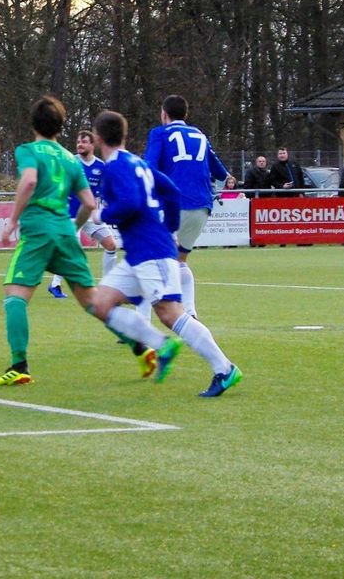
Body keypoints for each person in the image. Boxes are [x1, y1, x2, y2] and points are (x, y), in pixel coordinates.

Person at [89, 109, 242, 398]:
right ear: (123, 135)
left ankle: (224, 368)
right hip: (139, 254)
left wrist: (101, 214)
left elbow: (132, 203)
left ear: (98, 138)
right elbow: (170, 190)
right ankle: (160, 346)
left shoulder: (115, 167)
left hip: (152, 251)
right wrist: (172, 227)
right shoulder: (135, 163)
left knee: (171, 314)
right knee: (100, 303)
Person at [0, 96, 104, 386]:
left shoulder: (28, 150)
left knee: (14, 296)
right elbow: (89, 204)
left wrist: (13, 219)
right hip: (64, 232)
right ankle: (142, 345)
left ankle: (19, 364)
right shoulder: (70, 158)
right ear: (60, 126)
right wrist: (71, 227)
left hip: (38, 230)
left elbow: (28, 181)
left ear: (33, 124)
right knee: (91, 302)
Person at [143, 94, 228, 320]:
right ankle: (190, 311)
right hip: (201, 206)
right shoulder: (199, 134)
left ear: (164, 114)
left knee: (145, 261)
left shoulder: (159, 133)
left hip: (173, 205)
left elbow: (149, 168)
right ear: (186, 114)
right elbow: (219, 170)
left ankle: (142, 325)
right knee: (180, 260)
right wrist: (228, 178)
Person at [49, 129, 120, 298]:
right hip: (71, 214)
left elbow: (104, 191)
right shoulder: (70, 162)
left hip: (90, 214)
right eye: (78, 142)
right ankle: (55, 285)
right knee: (72, 251)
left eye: (84, 142)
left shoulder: (101, 166)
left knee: (111, 245)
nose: (79, 145)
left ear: (93, 145)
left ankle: (107, 286)